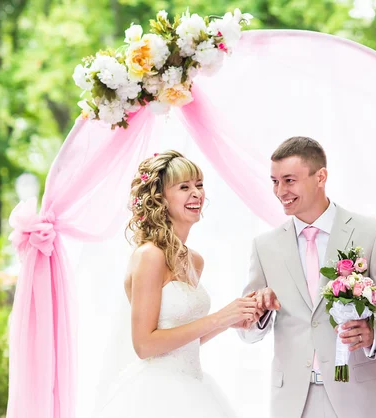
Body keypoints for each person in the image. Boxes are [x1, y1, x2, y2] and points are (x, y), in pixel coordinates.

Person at [238, 136, 376, 418]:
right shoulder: (265, 246)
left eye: (289, 180)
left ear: (320, 176)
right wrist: (257, 313)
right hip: (293, 402)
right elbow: (246, 330)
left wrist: (373, 333)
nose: (280, 191)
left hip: (360, 397)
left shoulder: (372, 233)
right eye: (274, 181)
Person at [96, 150, 260, 417]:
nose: (196, 193)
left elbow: (182, 339)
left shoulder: (195, 261)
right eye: (184, 187)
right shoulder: (150, 256)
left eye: (199, 185)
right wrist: (219, 317)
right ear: (159, 199)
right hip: (157, 394)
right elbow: (145, 345)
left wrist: (229, 322)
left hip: (194, 384)